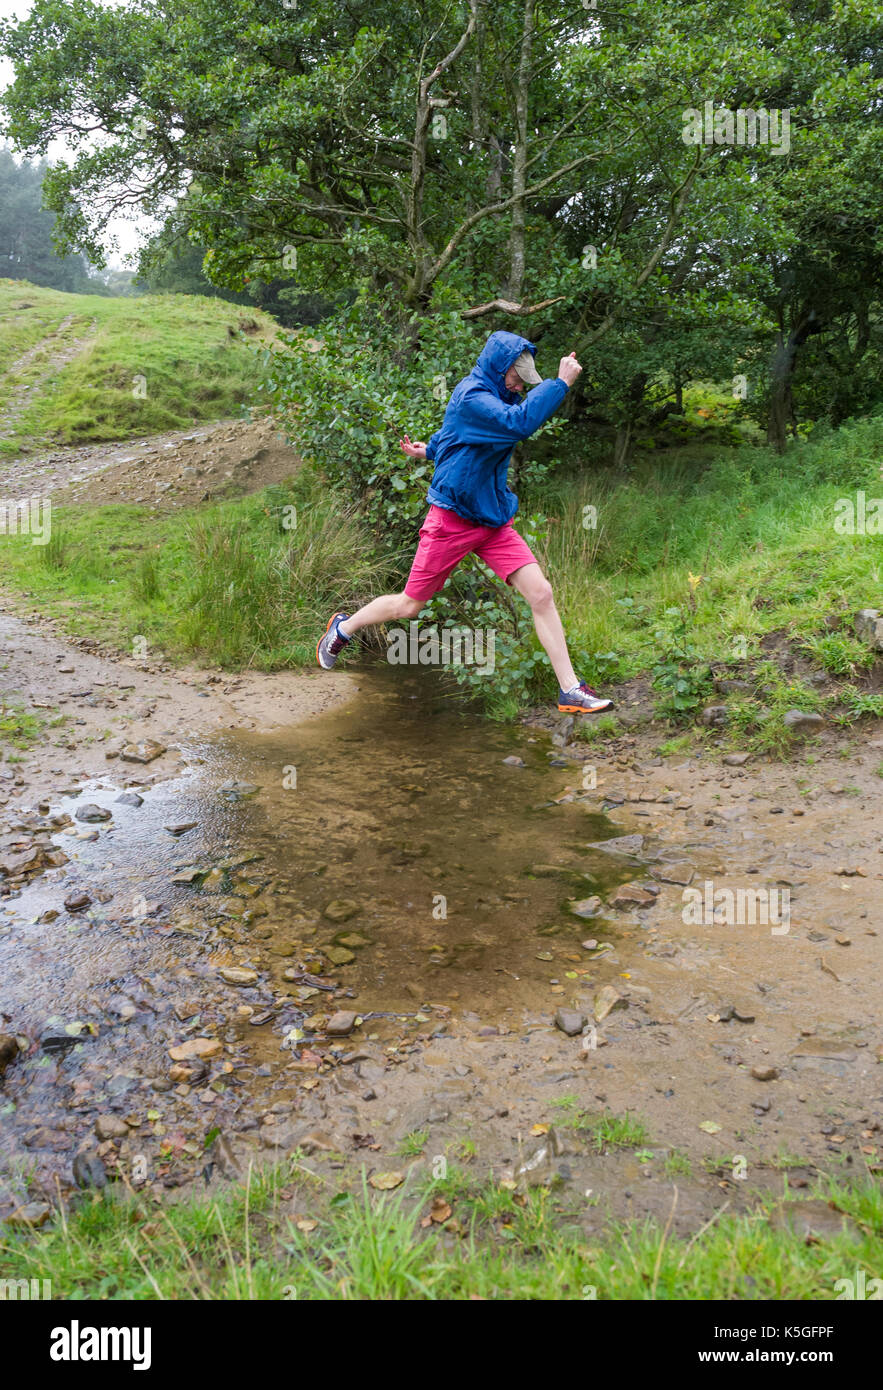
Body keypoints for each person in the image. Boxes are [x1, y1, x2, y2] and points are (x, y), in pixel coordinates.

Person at [316, 329, 614, 714]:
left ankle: (570, 690)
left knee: (541, 593)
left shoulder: (494, 396)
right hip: (452, 519)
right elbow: (515, 424)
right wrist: (560, 384)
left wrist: (430, 450)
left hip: (491, 519)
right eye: (517, 379)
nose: (521, 387)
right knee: (409, 607)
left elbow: (457, 434)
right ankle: (343, 628)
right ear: (498, 367)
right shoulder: (473, 395)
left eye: (526, 383)